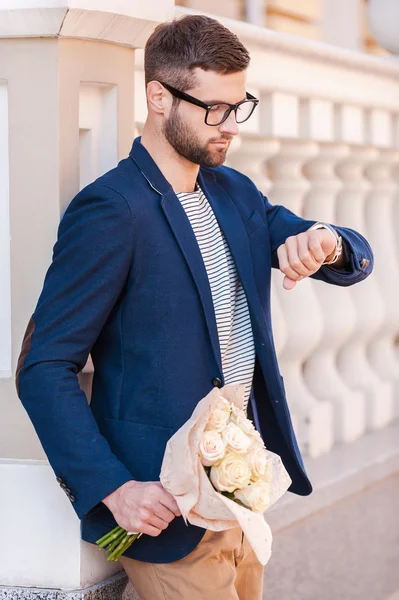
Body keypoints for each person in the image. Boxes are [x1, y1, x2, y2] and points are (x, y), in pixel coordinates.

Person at [15, 14, 373, 600]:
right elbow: (44, 365)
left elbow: (341, 250)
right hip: (159, 515)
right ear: (159, 97)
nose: (230, 126)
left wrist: (329, 242)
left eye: (239, 106)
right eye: (215, 108)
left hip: (240, 502)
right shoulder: (112, 209)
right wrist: (113, 487)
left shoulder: (236, 193)